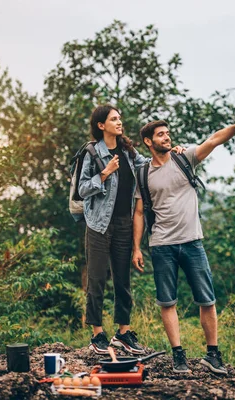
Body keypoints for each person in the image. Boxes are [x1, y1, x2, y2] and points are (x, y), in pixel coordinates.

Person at [132, 114, 235, 374]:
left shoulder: (184, 157)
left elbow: (213, 140)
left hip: (193, 242)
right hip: (161, 245)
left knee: (207, 300)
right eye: (160, 135)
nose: (167, 137)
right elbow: (139, 212)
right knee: (167, 302)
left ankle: (212, 355)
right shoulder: (143, 173)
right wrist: (136, 248)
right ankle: (178, 356)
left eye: (167, 133)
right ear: (148, 142)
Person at [78, 104, 185, 355]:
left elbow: (149, 163)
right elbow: (82, 189)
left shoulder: (127, 151)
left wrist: (173, 152)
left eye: (120, 118)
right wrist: (104, 173)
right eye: (114, 119)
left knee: (123, 281)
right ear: (101, 125)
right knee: (96, 280)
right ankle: (97, 335)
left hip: (124, 224)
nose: (119, 122)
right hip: (98, 225)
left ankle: (123, 333)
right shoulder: (92, 152)